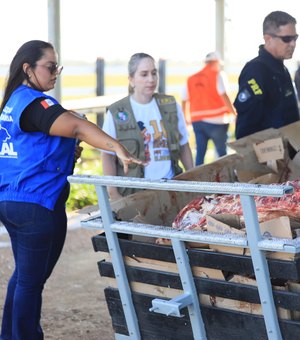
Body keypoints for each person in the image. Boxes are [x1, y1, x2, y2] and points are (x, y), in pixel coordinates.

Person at [0, 40, 145, 340]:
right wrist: (116, 146)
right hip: (34, 204)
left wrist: (65, 151)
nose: (56, 73)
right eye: (50, 67)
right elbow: (76, 128)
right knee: (31, 280)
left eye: (58, 67)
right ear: (28, 69)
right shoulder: (35, 103)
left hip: (13, 200)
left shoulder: (13, 102)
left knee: (25, 277)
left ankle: (10, 335)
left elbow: (32, 148)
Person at [101, 52, 194, 200]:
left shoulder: (171, 105)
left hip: (170, 187)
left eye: (154, 73)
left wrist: (193, 179)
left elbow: (183, 145)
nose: (151, 79)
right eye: (144, 74)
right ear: (131, 79)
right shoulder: (117, 112)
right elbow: (107, 154)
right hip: (135, 193)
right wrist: (113, 192)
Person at [234, 10, 300, 139]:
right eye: (287, 39)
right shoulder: (256, 70)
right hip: (268, 154)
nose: (293, 44)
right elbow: (246, 126)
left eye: (295, 38)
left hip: (288, 152)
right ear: (268, 38)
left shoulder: (281, 69)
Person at [182, 51, 236, 166]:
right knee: (222, 154)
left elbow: (184, 100)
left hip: (197, 121)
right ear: (216, 62)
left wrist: (185, 119)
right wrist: (234, 113)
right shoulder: (218, 74)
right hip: (217, 121)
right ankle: (225, 180)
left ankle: (197, 180)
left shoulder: (191, 78)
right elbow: (224, 95)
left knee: (200, 154)